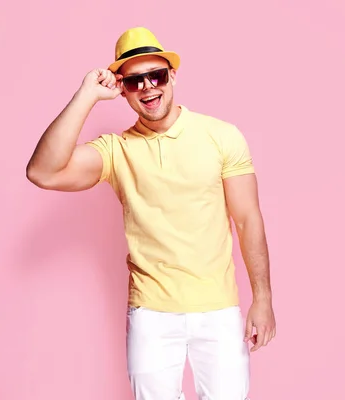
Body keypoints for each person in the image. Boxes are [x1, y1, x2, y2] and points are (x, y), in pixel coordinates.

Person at [26, 26, 276, 400]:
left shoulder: (221, 136)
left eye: (156, 76)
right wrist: (87, 96)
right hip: (151, 315)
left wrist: (263, 298)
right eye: (134, 81)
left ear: (172, 75)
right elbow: (41, 172)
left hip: (219, 309)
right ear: (122, 88)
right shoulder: (116, 150)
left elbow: (247, 219)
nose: (148, 88)